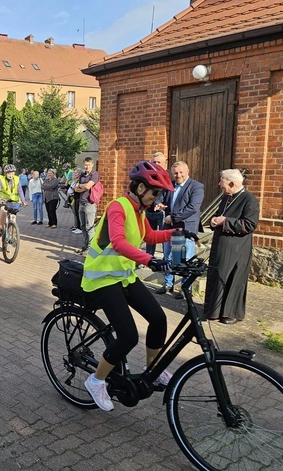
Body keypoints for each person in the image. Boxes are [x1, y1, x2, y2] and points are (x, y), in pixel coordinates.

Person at [80, 160, 198, 411]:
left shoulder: (139, 212)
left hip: (123, 276)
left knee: (158, 318)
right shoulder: (118, 207)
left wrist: (178, 232)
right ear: (141, 187)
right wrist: (149, 260)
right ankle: (95, 380)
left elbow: (150, 236)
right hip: (101, 277)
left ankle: (151, 369)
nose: (157, 198)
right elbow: (119, 242)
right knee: (129, 336)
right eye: (155, 193)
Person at [204, 169, 260, 324]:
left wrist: (224, 221)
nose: (219, 184)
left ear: (231, 183)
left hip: (237, 249)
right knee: (218, 276)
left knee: (233, 279)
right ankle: (214, 310)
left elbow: (249, 225)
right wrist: (215, 220)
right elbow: (220, 215)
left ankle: (231, 313)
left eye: (221, 181)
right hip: (221, 246)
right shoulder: (226, 197)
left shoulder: (249, 200)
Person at [156, 161, 204, 297]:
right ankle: (168, 284)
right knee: (167, 256)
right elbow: (159, 198)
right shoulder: (169, 186)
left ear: (187, 171)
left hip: (185, 228)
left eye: (181, 172)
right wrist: (158, 203)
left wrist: (173, 217)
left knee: (184, 260)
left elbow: (193, 207)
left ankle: (184, 288)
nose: (178, 175)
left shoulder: (196, 187)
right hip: (168, 228)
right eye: (175, 173)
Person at [74, 157, 100, 255]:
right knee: (83, 226)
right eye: (85, 164)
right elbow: (76, 189)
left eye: (88, 165)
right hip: (81, 202)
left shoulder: (94, 174)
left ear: (92, 165)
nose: (87, 166)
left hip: (90, 203)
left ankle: (90, 248)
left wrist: (81, 186)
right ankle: (85, 246)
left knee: (89, 226)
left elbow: (88, 186)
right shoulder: (82, 174)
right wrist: (83, 187)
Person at [144, 152, 167, 256]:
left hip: (163, 212)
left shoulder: (169, 177)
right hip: (149, 210)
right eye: (154, 162)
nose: (156, 164)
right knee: (150, 236)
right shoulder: (149, 176)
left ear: (165, 163)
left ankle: (166, 257)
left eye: (159, 162)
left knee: (163, 236)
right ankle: (149, 257)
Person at [0, 164, 27, 233]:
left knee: (13, 216)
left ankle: (13, 235)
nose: (10, 175)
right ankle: (1, 228)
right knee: (3, 211)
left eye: (12, 173)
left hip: (14, 200)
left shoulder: (17, 179)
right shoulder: (1, 179)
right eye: (8, 173)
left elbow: (20, 190)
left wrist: (23, 200)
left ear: (14, 173)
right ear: (5, 173)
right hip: (3, 200)